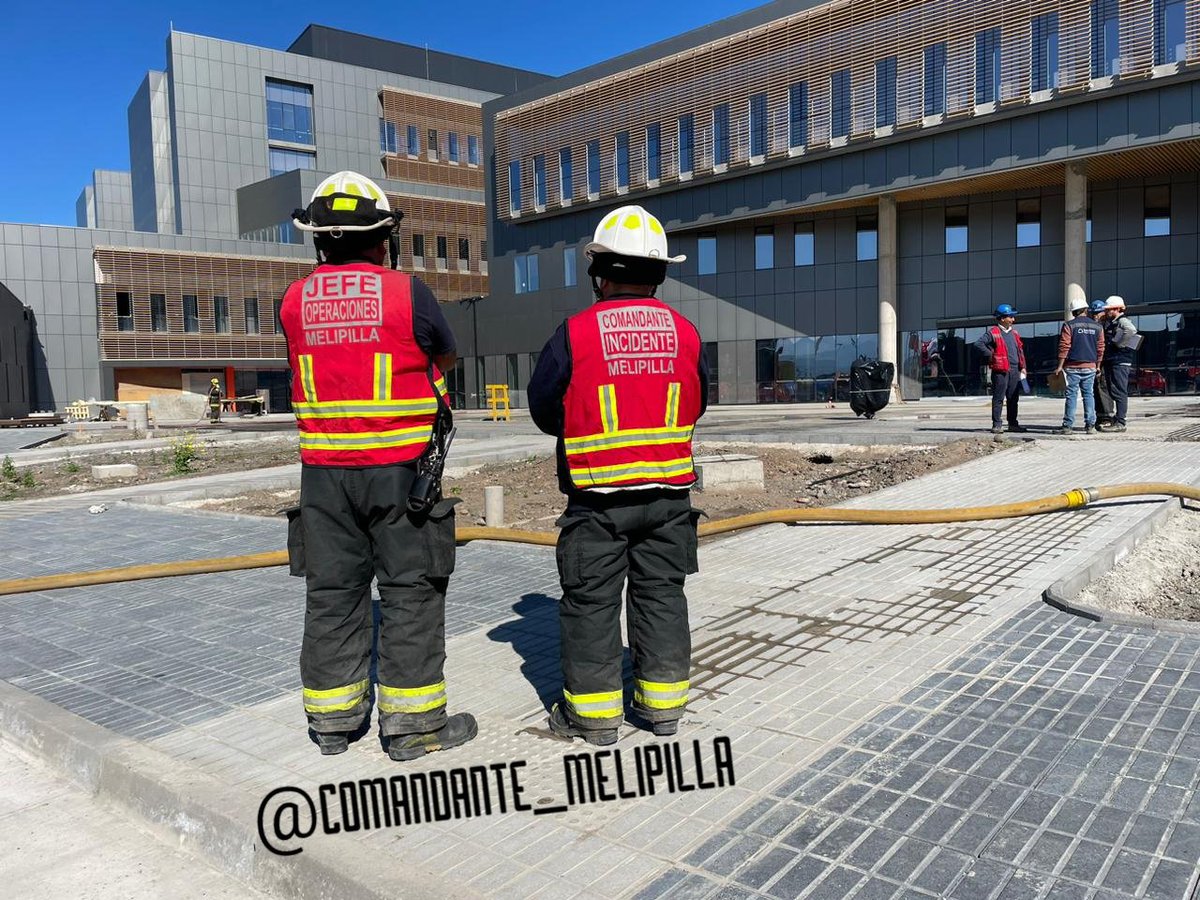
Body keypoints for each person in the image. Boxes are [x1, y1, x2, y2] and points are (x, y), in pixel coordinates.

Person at [280, 171, 476, 760]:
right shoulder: (407, 293)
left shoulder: (292, 300)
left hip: (323, 477)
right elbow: (443, 353)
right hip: (402, 476)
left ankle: (334, 725)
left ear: (319, 240)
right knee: (410, 592)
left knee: (333, 592)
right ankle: (413, 727)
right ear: (383, 236)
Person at [528, 205, 708, 745]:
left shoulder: (576, 332)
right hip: (670, 496)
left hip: (598, 500)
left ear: (600, 272)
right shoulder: (685, 331)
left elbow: (543, 407)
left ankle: (595, 719)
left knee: (591, 603)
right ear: (658, 272)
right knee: (662, 596)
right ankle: (663, 712)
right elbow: (698, 402)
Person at [1054, 297, 1105, 435]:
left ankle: (1068, 426)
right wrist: (1098, 365)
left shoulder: (1069, 325)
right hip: (1090, 366)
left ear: (1073, 312)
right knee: (1089, 395)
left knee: (1071, 395)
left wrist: (1060, 366)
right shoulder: (1098, 326)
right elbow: (1101, 348)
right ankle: (1090, 426)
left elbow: (1064, 346)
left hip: (1072, 366)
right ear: (1086, 309)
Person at [973, 304, 1027, 434]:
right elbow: (978, 344)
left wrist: (1023, 367)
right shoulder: (993, 332)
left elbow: (1020, 351)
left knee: (1013, 398)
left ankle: (1013, 424)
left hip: (1015, 370)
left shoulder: (1014, 333)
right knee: (998, 398)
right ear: (1002, 318)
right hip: (1000, 371)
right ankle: (997, 424)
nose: (1013, 319)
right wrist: (992, 355)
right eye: (1010, 317)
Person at [1097, 295, 1138, 432]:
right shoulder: (1114, 322)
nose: (1107, 312)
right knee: (1113, 389)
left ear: (1116, 309)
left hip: (1120, 361)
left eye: (1109, 309)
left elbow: (1131, 331)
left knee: (1119, 391)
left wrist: (1119, 344)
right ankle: (1118, 419)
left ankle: (1121, 422)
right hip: (1114, 361)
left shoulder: (1123, 321)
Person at [1089, 300, 1116, 428]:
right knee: (1095, 389)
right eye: (1093, 313)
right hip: (1094, 362)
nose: (1095, 316)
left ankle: (1108, 417)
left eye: (1098, 313)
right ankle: (1099, 416)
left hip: (1104, 362)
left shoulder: (1107, 326)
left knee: (1103, 388)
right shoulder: (1094, 326)